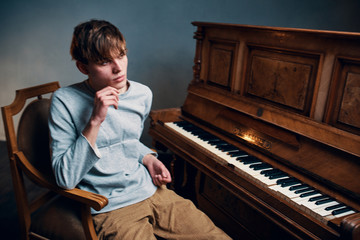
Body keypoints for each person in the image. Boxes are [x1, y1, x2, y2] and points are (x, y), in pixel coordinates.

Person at [48, 19, 231, 240]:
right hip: (110, 206)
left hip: (151, 190)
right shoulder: (64, 101)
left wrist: (147, 158)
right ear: (83, 67)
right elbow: (64, 177)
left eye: (122, 55)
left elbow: (126, 142)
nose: (118, 68)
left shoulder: (142, 94)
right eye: (105, 61)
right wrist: (95, 120)